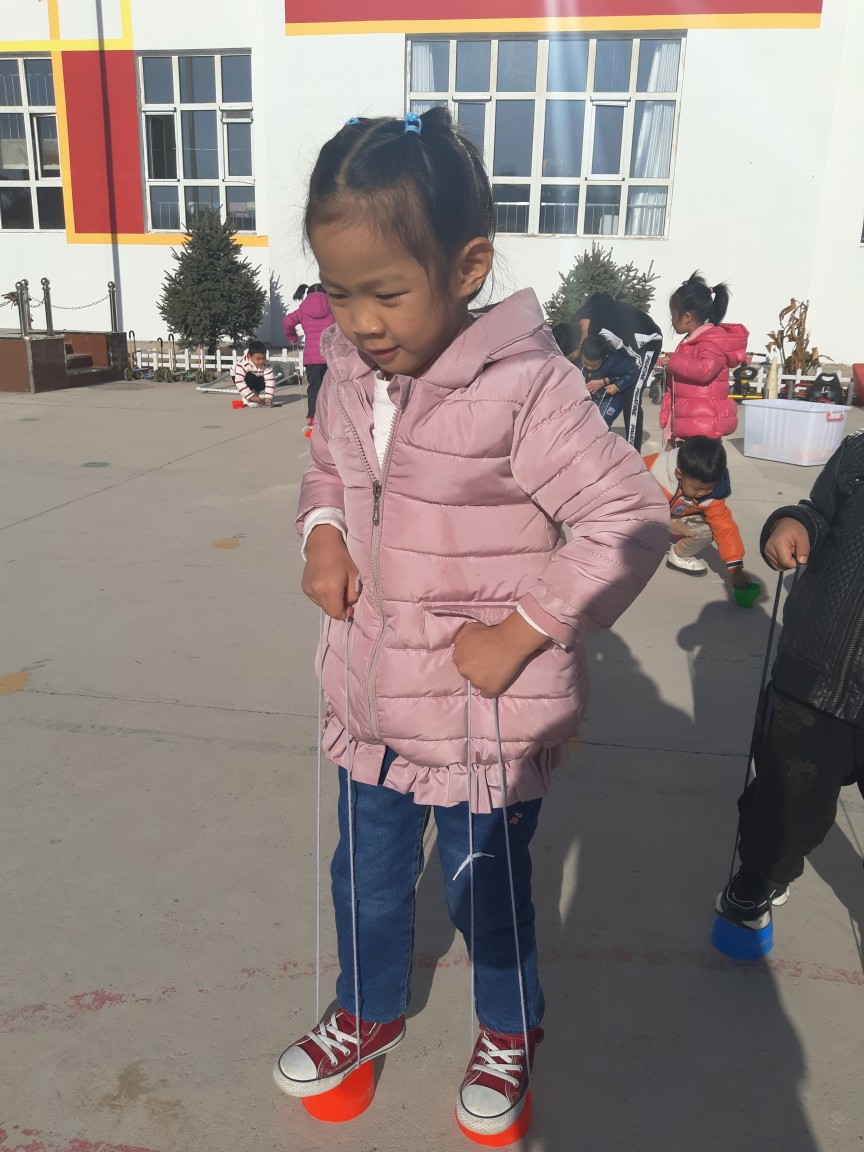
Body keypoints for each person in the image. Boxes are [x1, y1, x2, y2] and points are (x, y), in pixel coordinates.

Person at [272, 107, 669, 1137]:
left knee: (484, 891)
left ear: (467, 267)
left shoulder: (527, 390)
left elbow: (628, 519)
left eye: (386, 292)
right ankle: (366, 1008)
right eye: (337, 292)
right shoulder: (351, 374)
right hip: (371, 702)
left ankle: (508, 1027)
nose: (360, 322)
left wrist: (524, 629)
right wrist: (323, 531)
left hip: (481, 715)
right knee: (363, 879)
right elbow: (329, 467)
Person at [715, 431, 864, 935]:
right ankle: (762, 875)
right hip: (811, 678)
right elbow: (817, 512)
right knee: (784, 804)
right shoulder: (858, 452)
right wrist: (793, 523)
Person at [643, 436, 752, 587]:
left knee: (707, 530)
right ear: (679, 473)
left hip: (671, 519)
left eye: (709, 488)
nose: (702, 494)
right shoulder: (653, 467)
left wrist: (736, 569)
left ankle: (679, 555)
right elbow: (620, 479)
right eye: (697, 489)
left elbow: (725, 529)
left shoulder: (712, 497)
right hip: (643, 514)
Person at [658, 273, 748, 444]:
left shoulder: (711, 341)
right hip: (690, 423)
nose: (671, 319)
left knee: (696, 461)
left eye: (673, 314)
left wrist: (675, 362)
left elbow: (705, 370)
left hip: (703, 428)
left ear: (687, 317)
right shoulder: (692, 342)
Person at [571, 292, 663, 451]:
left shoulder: (604, 328)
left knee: (632, 396)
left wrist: (614, 381)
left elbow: (634, 361)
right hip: (626, 346)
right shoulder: (585, 323)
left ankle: (634, 452)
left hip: (646, 343)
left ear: (583, 326)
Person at [284, 281, 335, 436]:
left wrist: (293, 338)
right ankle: (332, 420)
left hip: (312, 358)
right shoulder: (333, 307)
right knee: (333, 388)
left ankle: (312, 419)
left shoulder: (303, 309)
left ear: (307, 294)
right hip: (331, 355)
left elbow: (287, 322)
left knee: (314, 388)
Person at [579, 333, 641, 430]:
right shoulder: (578, 358)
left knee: (602, 421)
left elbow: (633, 370)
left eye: (594, 366)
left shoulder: (614, 361)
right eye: (585, 364)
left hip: (611, 397)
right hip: (593, 396)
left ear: (605, 358)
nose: (589, 367)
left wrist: (617, 386)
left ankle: (602, 437)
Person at [232, 339, 276, 406]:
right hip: (238, 376)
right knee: (249, 378)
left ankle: (255, 393)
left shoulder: (267, 364)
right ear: (250, 357)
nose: (261, 361)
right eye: (258, 359)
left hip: (256, 375)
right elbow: (239, 381)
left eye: (263, 358)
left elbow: (270, 380)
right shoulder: (242, 364)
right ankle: (247, 399)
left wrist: (269, 397)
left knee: (264, 380)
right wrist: (251, 397)